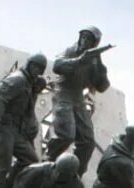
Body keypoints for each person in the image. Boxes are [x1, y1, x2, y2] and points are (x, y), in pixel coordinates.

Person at [0, 53, 45, 188]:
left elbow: (26, 109)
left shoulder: (30, 84)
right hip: (3, 128)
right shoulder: (17, 80)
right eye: (35, 66)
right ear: (29, 65)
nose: (36, 71)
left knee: (30, 161)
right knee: (1, 166)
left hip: (17, 130)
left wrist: (36, 91)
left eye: (40, 69)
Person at [47, 27, 109, 171]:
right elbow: (57, 65)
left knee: (88, 142)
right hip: (63, 92)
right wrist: (81, 60)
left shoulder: (95, 60)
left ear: (95, 44)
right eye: (84, 37)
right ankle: (48, 163)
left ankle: (75, 174)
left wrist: (99, 64)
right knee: (66, 135)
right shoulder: (70, 51)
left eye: (89, 39)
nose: (85, 41)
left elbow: (102, 87)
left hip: (78, 96)